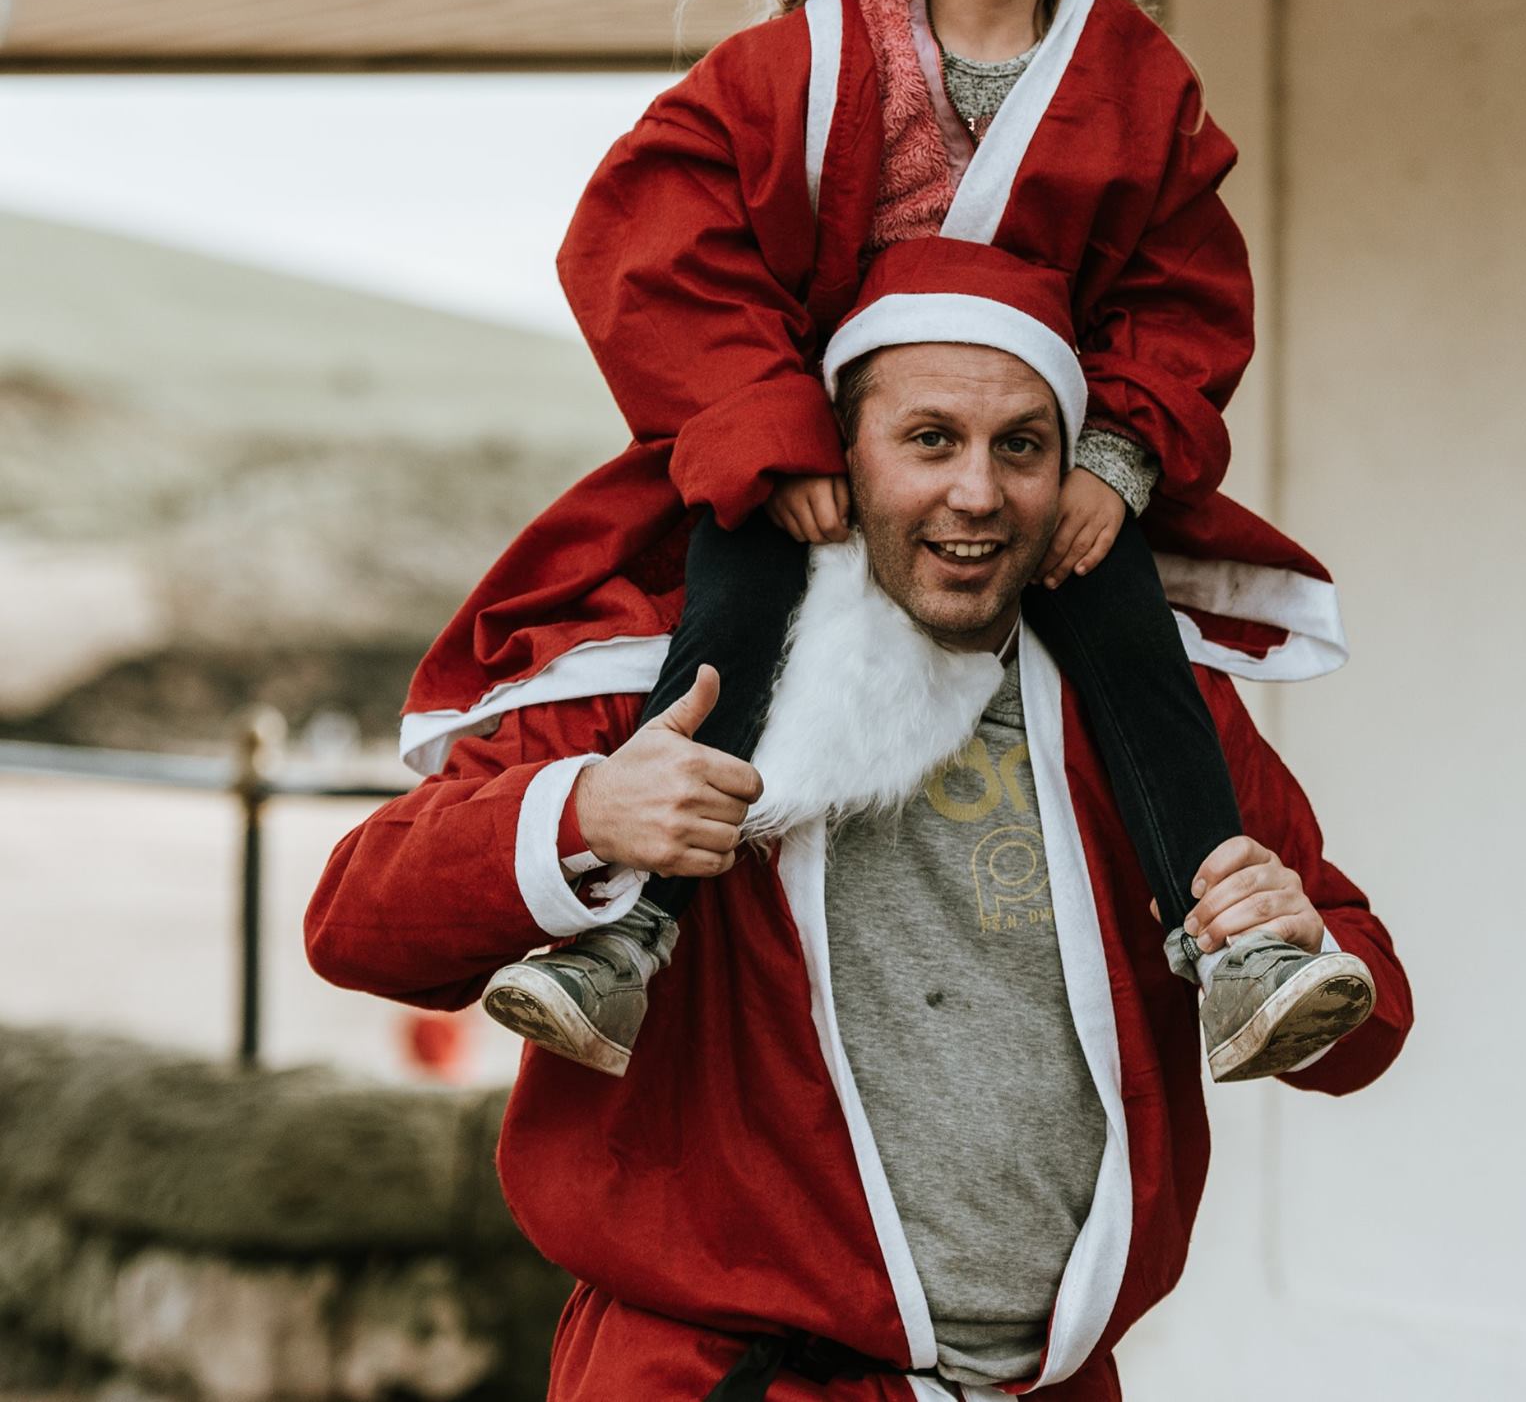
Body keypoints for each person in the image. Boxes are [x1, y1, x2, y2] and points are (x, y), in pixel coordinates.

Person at [419, 0, 1362, 1084]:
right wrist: (762, 428)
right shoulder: (790, 67)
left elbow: (1185, 289)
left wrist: (1116, 461)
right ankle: (631, 937)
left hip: (1035, 471)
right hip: (811, 457)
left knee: (1134, 652)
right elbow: (654, 238)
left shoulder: (1138, 79)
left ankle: (1230, 943)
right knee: (722, 631)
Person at [305, 250, 1413, 1400]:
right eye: (929, 439)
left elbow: (1369, 1019)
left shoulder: (1149, 712)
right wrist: (584, 812)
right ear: (838, 452)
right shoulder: (670, 683)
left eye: (1020, 445)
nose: (976, 493)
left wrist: (1305, 942)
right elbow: (355, 925)